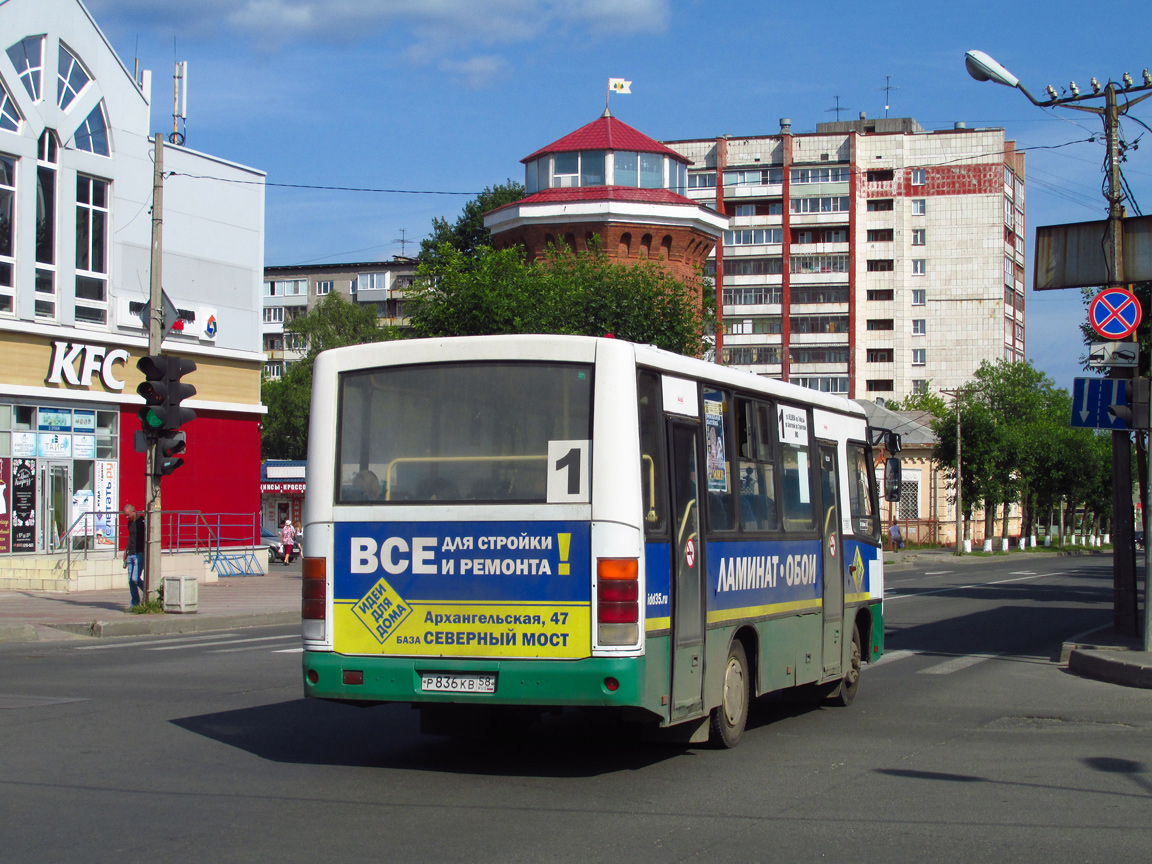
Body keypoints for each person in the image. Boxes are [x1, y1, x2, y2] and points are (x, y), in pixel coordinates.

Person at [124, 505, 146, 607]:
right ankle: (135, 603)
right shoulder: (130, 522)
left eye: (128, 515)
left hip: (139, 553)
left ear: (134, 512)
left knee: (135, 579)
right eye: (125, 515)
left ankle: (150, 592)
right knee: (131, 581)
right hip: (131, 553)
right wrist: (126, 551)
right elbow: (130, 536)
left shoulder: (142, 521)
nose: (126, 517)